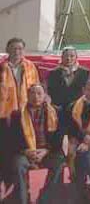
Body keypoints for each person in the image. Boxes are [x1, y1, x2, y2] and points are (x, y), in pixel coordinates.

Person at [9, 84, 65, 204]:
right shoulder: (17, 114)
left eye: (39, 93)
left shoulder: (56, 111)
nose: (36, 96)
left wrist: (46, 150)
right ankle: (23, 199)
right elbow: (13, 139)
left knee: (59, 162)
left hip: (47, 151)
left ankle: (44, 198)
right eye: (32, 93)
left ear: (45, 95)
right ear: (27, 95)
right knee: (18, 164)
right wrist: (25, 151)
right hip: (26, 152)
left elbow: (59, 137)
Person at [0, 38, 41, 189]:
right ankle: (6, 181)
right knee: (5, 148)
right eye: (13, 48)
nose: (17, 51)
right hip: (4, 115)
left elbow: (36, 88)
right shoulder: (1, 67)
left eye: (20, 48)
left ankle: (23, 185)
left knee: (23, 148)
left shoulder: (30, 66)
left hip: (25, 114)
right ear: (7, 50)